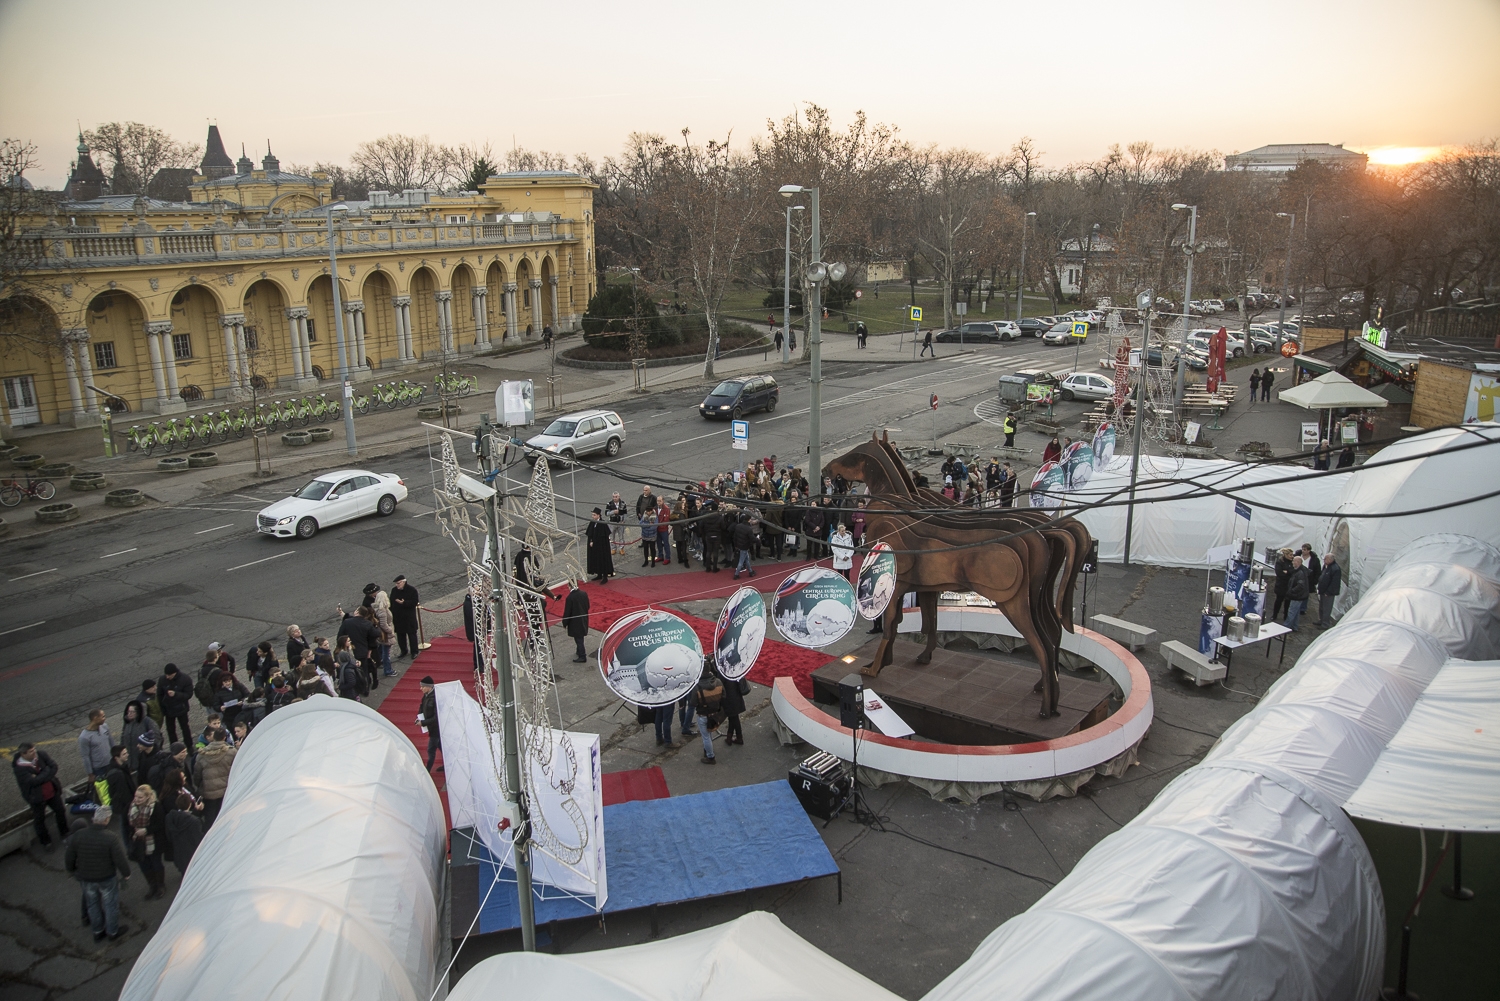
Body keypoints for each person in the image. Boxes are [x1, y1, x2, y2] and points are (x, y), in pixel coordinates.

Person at [66, 806, 130, 942]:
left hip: (86, 878)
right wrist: (126, 873)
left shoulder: (79, 835)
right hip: (106, 877)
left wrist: (71, 870)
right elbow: (119, 859)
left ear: (93, 818)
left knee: (93, 904)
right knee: (110, 904)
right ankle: (112, 932)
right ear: (107, 820)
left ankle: (97, 931)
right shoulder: (110, 838)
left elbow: (70, 856)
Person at [13, 742, 69, 852]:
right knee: (39, 820)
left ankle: (65, 832)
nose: (35, 753)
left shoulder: (41, 755)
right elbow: (33, 782)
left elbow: (54, 767)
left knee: (60, 810)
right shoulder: (19, 769)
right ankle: (46, 842)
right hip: (36, 798)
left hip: (51, 792)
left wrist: (41, 775)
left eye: (34, 749)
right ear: (23, 754)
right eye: (31, 751)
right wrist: (46, 771)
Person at [127, 784, 166, 900]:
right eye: (136, 797)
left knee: (156, 863)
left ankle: (160, 886)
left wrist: (146, 830)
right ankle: (152, 886)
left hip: (153, 842)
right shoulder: (132, 807)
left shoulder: (156, 807)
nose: (137, 800)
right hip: (138, 842)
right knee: (144, 865)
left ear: (148, 797)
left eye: (140, 798)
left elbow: (160, 824)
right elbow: (127, 824)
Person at [192, 728, 236, 829]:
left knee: (211, 821)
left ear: (213, 738)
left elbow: (197, 776)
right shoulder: (232, 752)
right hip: (226, 792)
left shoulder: (201, 755)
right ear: (224, 737)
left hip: (208, 793)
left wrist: (199, 786)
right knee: (226, 819)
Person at [689, 666, 724, 764]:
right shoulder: (718, 682)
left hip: (703, 715)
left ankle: (710, 756)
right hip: (715, 714)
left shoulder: (697, 686)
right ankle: (708, 750)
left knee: (706, 737)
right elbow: (723, 696)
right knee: (709, 734)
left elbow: (692, 703)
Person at [164, 793, 204, 878]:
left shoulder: (170, 817)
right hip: (193, 854)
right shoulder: (194, 821)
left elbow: (169, 836)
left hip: (179, 854)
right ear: (190, 804)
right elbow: (199, 839)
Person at [103, 744, 138, 838]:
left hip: (123, 804)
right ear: (116, 757)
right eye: (124, 754)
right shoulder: (118, 774)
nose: (127, 755)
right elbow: (123, 793)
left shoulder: (120, 767)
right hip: (124, 806)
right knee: (126, 826)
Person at [364, 583, 397, 677]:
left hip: (381, 633)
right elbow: (383, 624)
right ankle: (388, 670)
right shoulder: (382, 610)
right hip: (385, 634)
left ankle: (381, 662)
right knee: (386, 652)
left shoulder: (377, 608)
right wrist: (390, 631)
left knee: (382, 650)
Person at [120, 701, 159, 775]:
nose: (129, 714)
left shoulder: (148, 722)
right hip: (129, 761)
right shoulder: (127, 722)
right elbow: (123, 737)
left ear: (138, 712)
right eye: (128, 711)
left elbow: (156, 739)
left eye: (132, 712)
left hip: (143, 761)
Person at [390, 575, 420, 659]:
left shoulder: (412, 590)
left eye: (398, 583)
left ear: (403, 582)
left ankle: (414, 651)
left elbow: (414, 602)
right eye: (396, 583)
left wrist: (404, 603)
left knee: (412, 635)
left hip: (409, 617)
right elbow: (391, 602)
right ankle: (403, 651)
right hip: (398, 618)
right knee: (400, 636)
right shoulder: (394, 590)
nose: (397, 585)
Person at [79, 709, 112, 783]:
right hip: (99, 769)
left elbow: (111, 743)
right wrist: (90, 774)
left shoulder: (105, 727)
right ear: (95, 718)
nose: (105, 718)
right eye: (103, 716)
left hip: (110, 764)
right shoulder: (84, 737)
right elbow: (85, 757)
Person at [417, 677, 442, 772]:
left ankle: (427, 770)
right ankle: (447, 764)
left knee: (431, 749)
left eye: (422, 687)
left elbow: (436, 717)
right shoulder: (426, 695)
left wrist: (423, 722)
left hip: (436, 728)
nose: (421, 688)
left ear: (429, 687)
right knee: (440, 746)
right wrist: (419, 717)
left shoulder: (435, 698)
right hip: (432, 727)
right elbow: (422, 706)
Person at [562, 585, 591, 663]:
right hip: (583, 619)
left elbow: (567, 612)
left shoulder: (570, 598)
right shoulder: (583, 593)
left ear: (569, 586)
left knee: (578, 639)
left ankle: (582, 655)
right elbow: (588, 606)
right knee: (580, 637)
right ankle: (579, 651)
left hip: (575, 622)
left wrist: (565, 623)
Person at [1284, 555, 1311, 631]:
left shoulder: (1300, 573)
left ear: (1298, 562)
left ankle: (1286, 627)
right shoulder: (1300, 570)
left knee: (1291, 611)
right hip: (1300, 595)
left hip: (1297, 596)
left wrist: (1291, 591)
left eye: (1293, 561)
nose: (1292, 562)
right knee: (1296, 612)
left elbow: (1300, 586)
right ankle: (1294, 626)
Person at [1316, 553, 1343, 629]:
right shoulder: (1326, 566)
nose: (1324, 560)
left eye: (1326, 559)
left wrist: (1328, 592)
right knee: (1321, 607)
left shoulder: (1335, 568)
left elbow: (1335, 582)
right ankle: (1321, 620)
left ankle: (1325, 624)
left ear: (1331, 560)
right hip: (1322, 590)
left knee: (1326, 608)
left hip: (1328, 593)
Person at [720, 673, 747, 746]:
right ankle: (731, 737)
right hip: (736, 696)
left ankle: (738, 737)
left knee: (733, 718)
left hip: (729, 698)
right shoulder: (735, 671)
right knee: (733, 717)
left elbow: (720, 685)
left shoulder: (723, 673)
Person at [731, 514, 759, 579]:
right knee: (741, 561)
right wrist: (757, 540)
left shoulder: (738, 526)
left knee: (746, 559)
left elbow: (735, 537)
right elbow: (752, 538)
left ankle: (750, 571)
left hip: (739, 545)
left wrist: (736, 545)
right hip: (745, 546)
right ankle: (736, 574)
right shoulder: (748, 529)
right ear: (749, 520)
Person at [1271, 548, 1295, 621]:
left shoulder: (1293, 562)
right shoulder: (1280, 562)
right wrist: (1288, 574)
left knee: (1288, 602)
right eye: (1290, 555)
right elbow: (1279, 573)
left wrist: (1287, 572)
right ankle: (1274, 615)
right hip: (1281, 585)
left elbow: (1293, 571)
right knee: (1279, 600)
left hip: (1289, 585)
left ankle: (1286, 616)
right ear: (1286, 555)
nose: (1292, 556)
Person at [701, 502, 724, 572]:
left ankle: (708, 567)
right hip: (717, 535)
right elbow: (723, 527)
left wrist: (704, 533)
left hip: (708, 535)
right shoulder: (720, 517)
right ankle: (715, 567)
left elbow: (701, 525)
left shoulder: (706, 516)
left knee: (708, 551)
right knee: (715, 552)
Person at [656, 498, 673, 564]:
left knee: (666, 544)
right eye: (657, 501)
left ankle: (667, 558)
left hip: (664, 530)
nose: (658, 502)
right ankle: (660, 556)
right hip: (657, 529)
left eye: (660, 501)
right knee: (659, 543)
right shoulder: (655, 508)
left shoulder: (666, 509)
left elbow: (666, 520)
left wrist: (658, 525)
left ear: (663, 501)